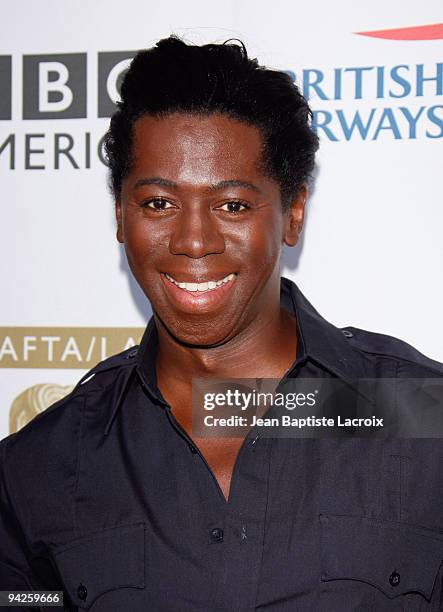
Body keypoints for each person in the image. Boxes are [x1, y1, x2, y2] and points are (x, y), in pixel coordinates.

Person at [1, 36, 442, 612]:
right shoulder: (40, 468)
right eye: (158, 203)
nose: (193, 240)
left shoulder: (421, 415)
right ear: (120, 218)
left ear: (293, 214)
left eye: (232, 204)